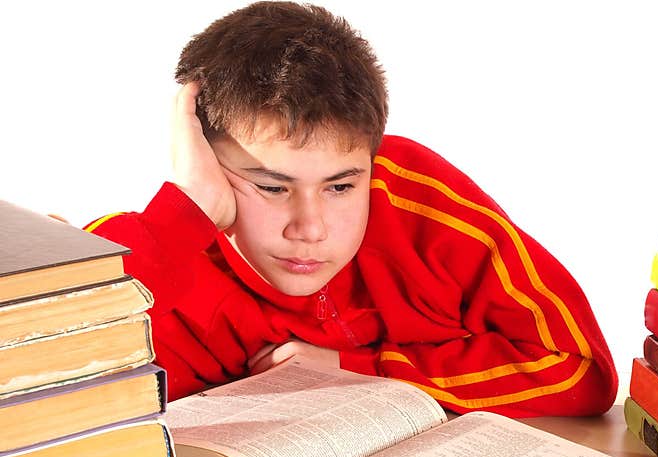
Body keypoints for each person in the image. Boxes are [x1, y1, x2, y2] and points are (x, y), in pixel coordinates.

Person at [86, 1, 618, 417]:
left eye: (341, 187)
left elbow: (579, 371)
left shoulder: (420, 200)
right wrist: (187, 212)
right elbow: (33, 385)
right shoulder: (158, 251)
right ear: (203, 160)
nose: (310, 229)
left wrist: (359, 370)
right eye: (272, 188)